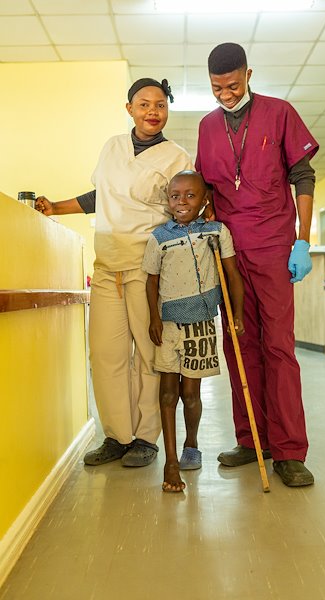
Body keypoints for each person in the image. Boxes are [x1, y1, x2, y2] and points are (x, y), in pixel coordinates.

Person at [35, 78, 193, 467]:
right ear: (130, 109)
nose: (152, 111)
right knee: (106, 354)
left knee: (149, 354)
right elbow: (98, 196)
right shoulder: (113, 147)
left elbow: (186, 207)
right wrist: (55, 207)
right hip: (106, 266)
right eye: (143, 104)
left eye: (159, 105)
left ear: (166, 110)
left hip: (148, 267)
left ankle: (145, 437)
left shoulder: (177, 157)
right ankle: (117, 436)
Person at [195, 42, 319, 487]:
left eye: (231, 85)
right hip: (228, 253)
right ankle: (252, 441)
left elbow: (303, 175)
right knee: (238, 345)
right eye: (216, 88)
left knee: (279, 348)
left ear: (249, 75)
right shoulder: (208, 127)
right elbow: (205, 189)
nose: (225, 95)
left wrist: (302, 241)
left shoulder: (280, 112)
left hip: (272, 247)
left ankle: (288, 450)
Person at [142, 170, 245, 492]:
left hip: (201, 323)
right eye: (175, 196)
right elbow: (152, 280)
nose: (182, 201)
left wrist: (236, 314)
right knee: (168, 394)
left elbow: (232, 274)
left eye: (191, 195)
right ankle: (170, 462)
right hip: (170, 323)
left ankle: (191, 445)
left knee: (191, 394)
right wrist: (154, 320)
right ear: (168, 200)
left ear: (205, 199)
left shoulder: (216, 231)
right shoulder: (159, 237)